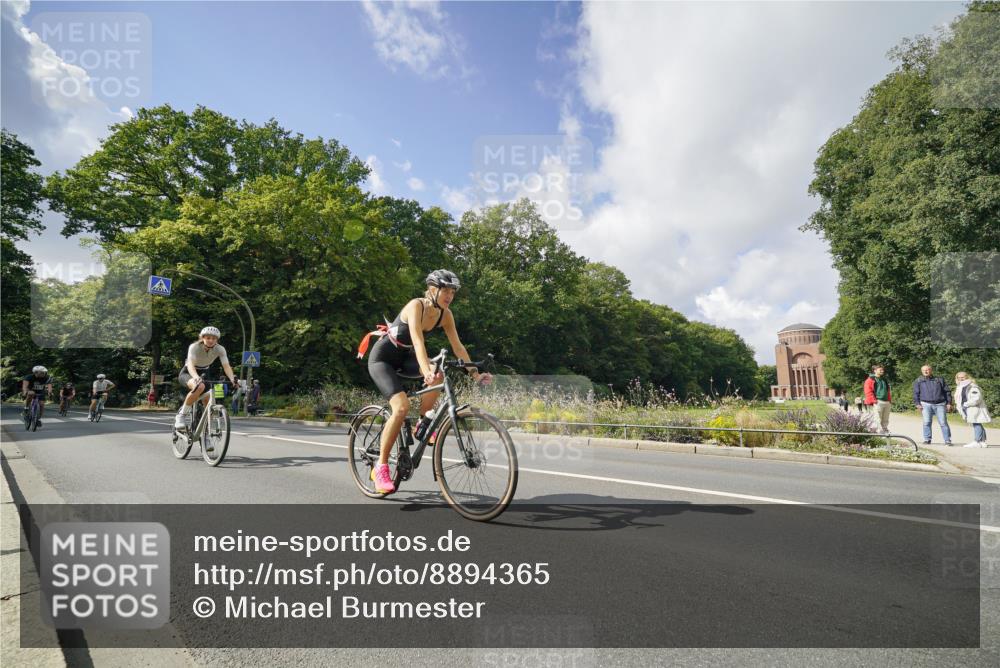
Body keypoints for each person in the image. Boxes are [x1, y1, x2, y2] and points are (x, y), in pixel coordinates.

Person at [359, 270, 491, 495]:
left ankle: (422, 423)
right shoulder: (415, 306)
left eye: (452, 292)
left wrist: (475, 374)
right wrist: (426, 369)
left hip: (407, 358)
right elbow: (419, 343)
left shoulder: (445, 314)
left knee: (439, 374)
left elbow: (458, 347)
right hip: (383, 358)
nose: (449, 296)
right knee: (401, 407)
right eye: (446, 291)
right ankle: (380, 467)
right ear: (432, 289)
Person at [174, 326, 238, 444]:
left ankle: (205, 435)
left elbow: (226, 366)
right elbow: (191, 365)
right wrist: (196, 377)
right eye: (208, 338)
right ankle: (181, 415)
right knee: (200, 386)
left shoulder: (220, 349)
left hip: (205, 372)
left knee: (208, 399)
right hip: (189, 372)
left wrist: (232, 379)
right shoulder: (194, 347)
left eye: (213, 338)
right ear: (202, 338)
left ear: (217, 340)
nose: (211, 340)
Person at [913, 364, 953, 445]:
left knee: (943, 423)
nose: (926, 371)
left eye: (927, 370)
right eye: (924, 370)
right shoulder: (918, 381)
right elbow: (916, 393)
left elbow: (947, 392)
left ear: (931, 370)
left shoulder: (939, 380)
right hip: (925, 404)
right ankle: (927, 439)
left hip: (940, 404)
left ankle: (947, 440)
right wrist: (917, 403)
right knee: (926, 422)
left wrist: (949, 403)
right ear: (921, 371)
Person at [954, 372, 991, 448]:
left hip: (973, 408)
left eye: (963, 377)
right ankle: (982, 441)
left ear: (967, 377)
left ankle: (977, 441)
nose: (961, 379)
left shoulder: (972, 386)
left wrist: (966, 404)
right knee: (977, 423)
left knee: (976, 423)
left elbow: (976, 399)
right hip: (967, 408)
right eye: (959, 377)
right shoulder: (960, 386)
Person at [863, 364, 892, 434]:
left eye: (883, 369)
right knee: (877, 418)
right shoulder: (870, 380)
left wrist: (889, 400)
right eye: (880, 370)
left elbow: (887, 390)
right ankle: (879, 432)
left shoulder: (884, 379)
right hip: (877, 401)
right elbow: (868, 391)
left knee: (885, 419)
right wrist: (874, 401)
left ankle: (885, 431)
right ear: (875, 371)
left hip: (886, 402)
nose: (882, 371)